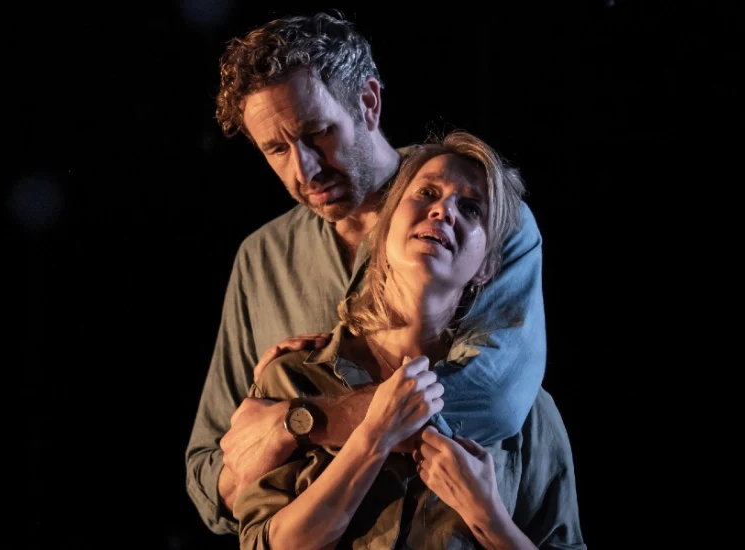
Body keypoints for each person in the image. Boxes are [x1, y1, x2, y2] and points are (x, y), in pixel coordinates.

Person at [186, 12, 548, 535]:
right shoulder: (261, 259)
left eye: (317, 134)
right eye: (276, 149)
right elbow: (211, 481)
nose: (302, 170)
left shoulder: (483, 218)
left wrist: (299, 421)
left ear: (369, 103)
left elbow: (492, 403)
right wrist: (261, 433)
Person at [235, 130, 585, 549]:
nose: (443, 212)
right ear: (383, 229)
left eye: (470, 208)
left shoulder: (527, 412)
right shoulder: (292, 380)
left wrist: (489, 518)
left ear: (485, 269)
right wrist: (372, 436)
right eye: (426, 193)